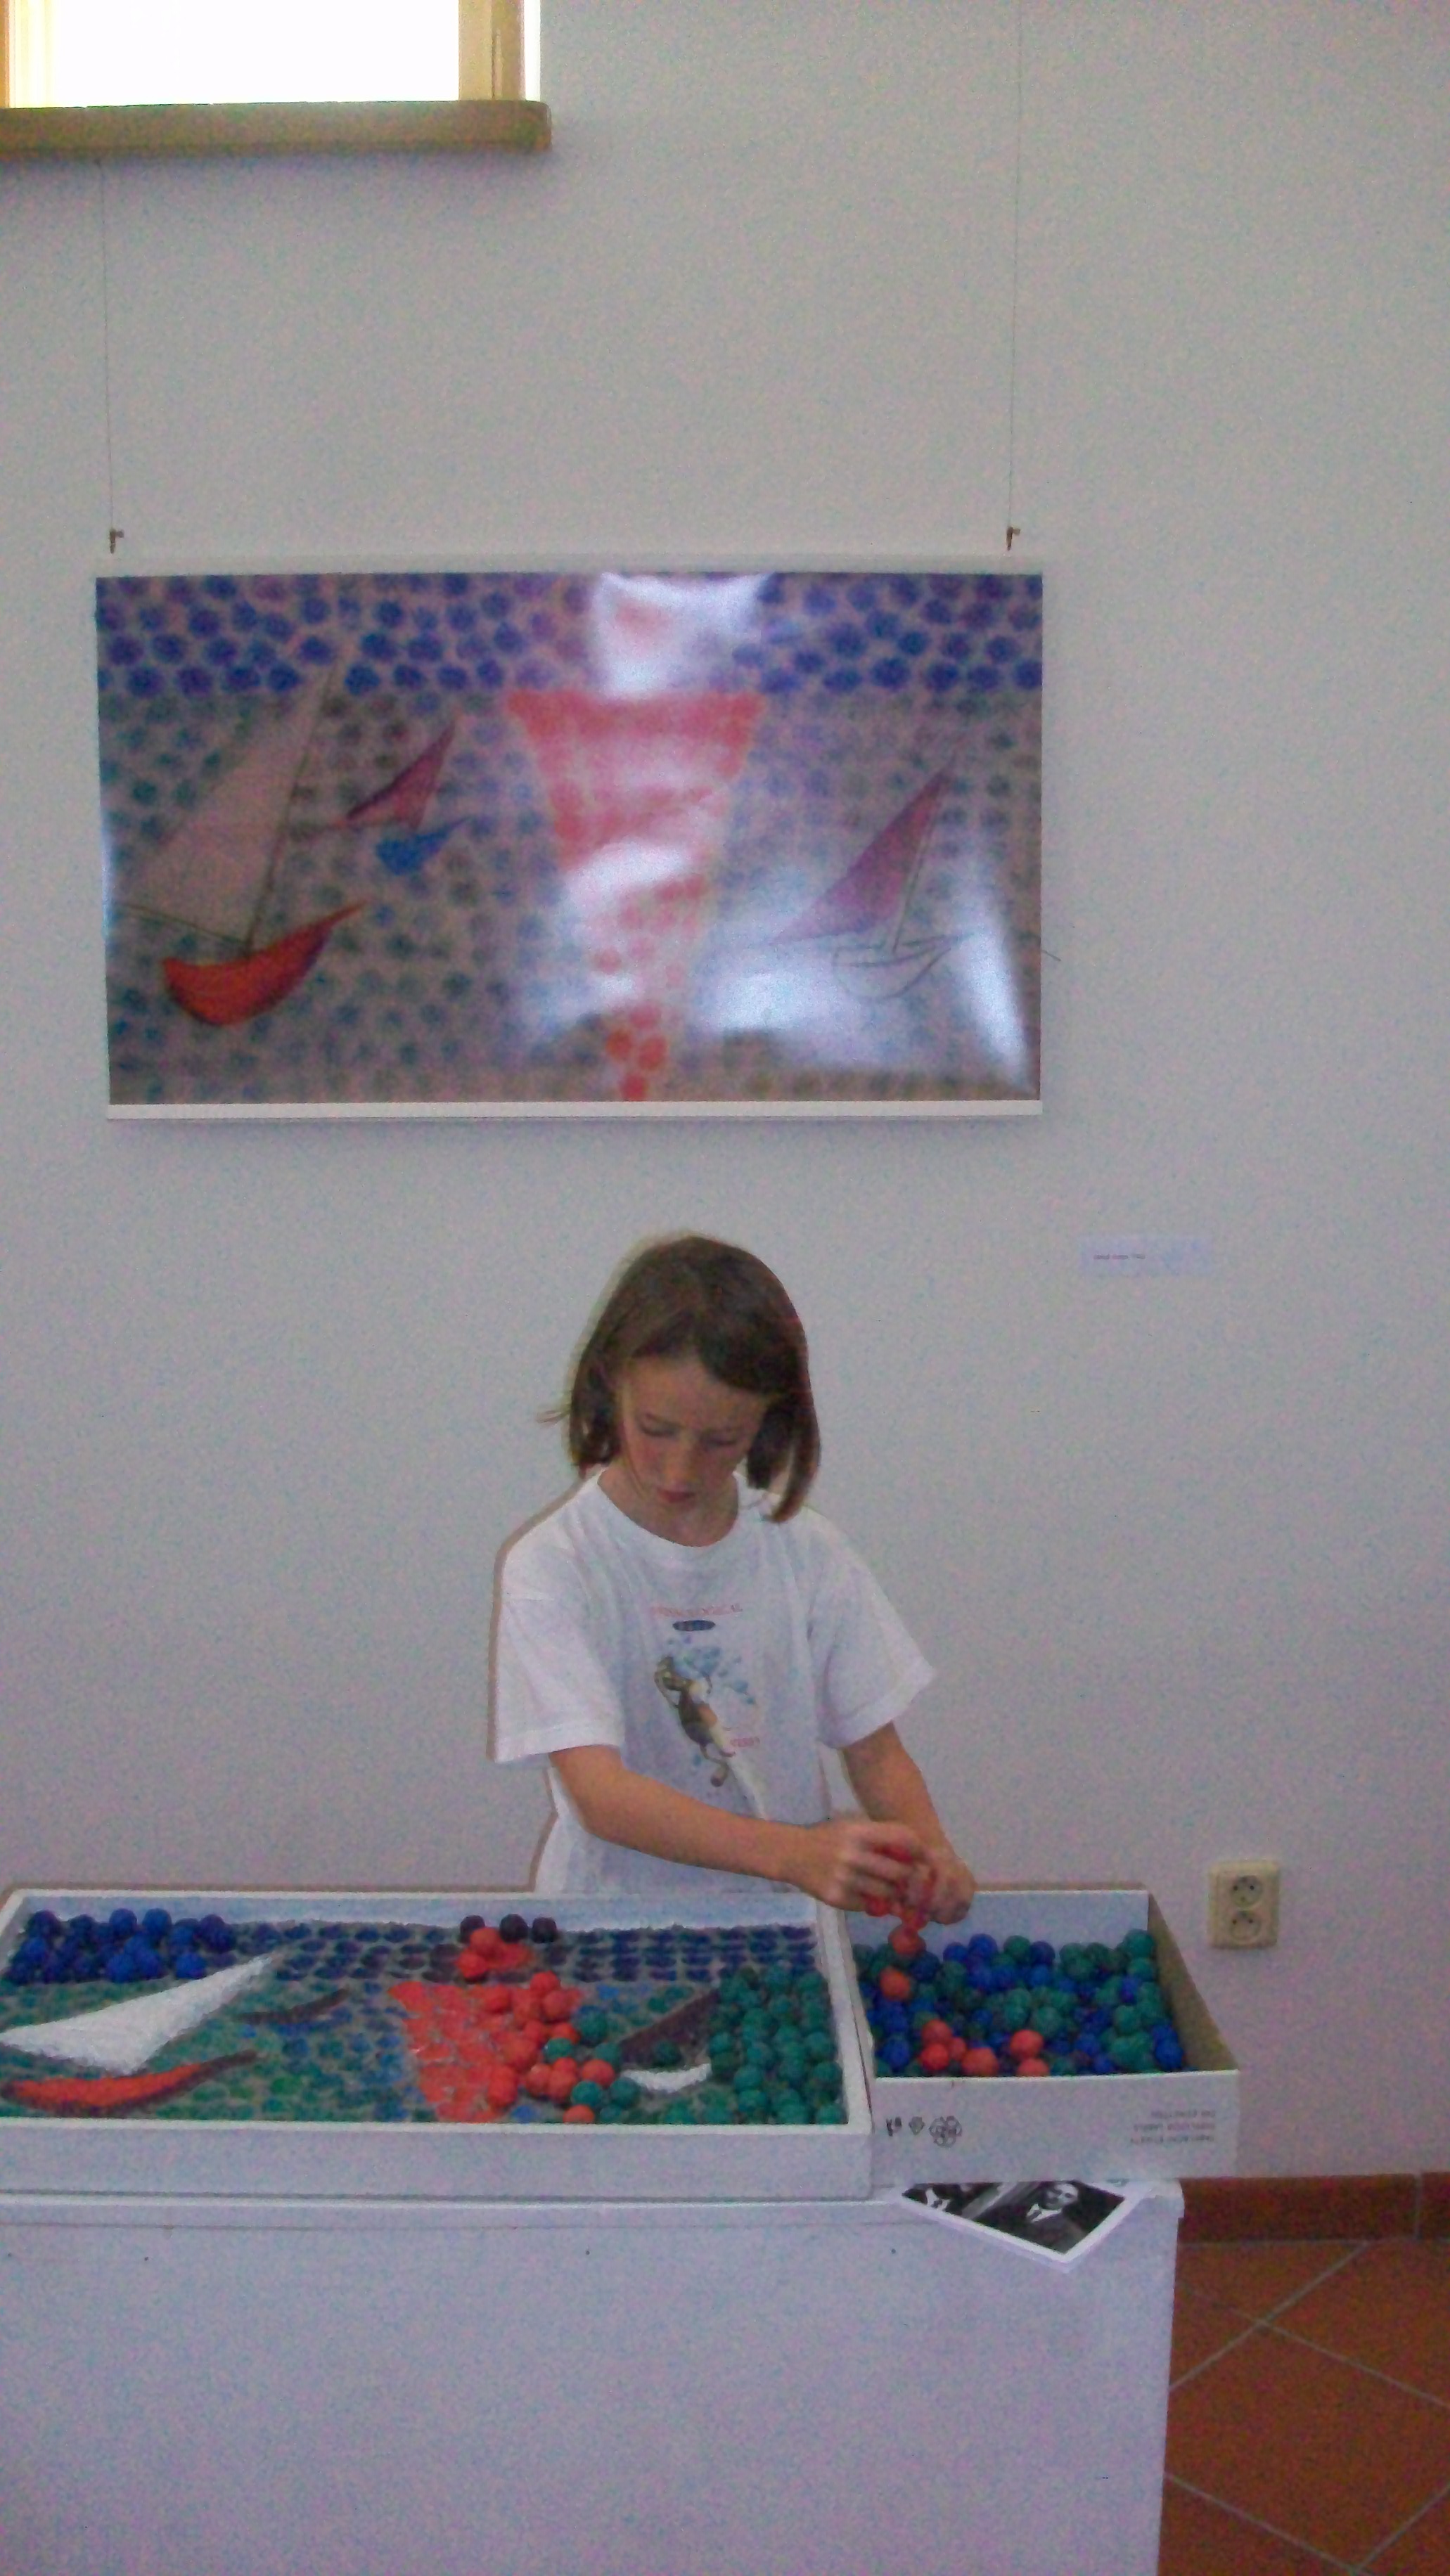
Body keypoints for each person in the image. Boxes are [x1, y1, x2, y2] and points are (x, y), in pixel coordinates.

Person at [490, 1235, 977, 1920]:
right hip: (611, 1923)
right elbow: (601, 1795)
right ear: (609, 1384)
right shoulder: (554, 1566)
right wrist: (795, 1853)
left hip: (784, 1925)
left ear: (768, 1421)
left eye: (720, 1440)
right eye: (655, 1428)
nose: (679, 1470)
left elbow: (876, 1750)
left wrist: (931, 1853)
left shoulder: (808, 1553)